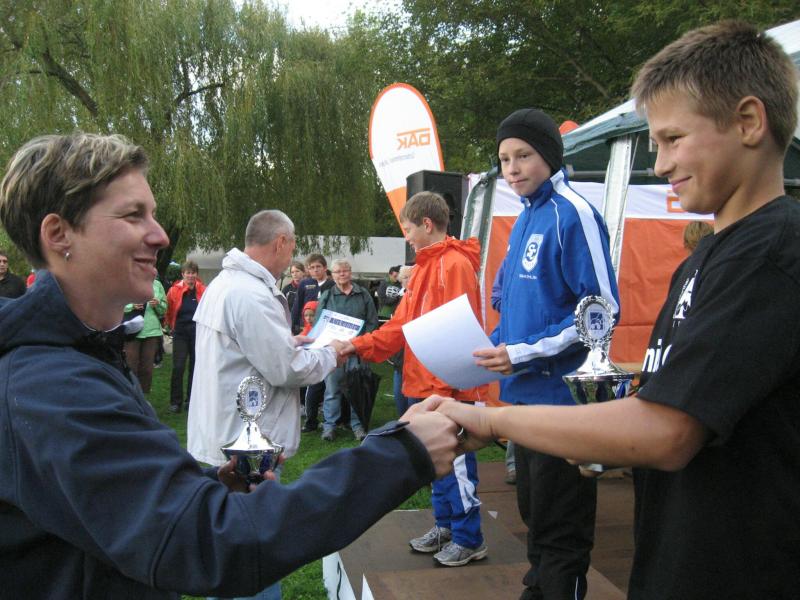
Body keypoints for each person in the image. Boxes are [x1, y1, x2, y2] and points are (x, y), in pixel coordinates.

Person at [427, 20, 800, 600]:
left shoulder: (771, 253)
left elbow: (667, 429)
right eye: (655, 143)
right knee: (540, 530)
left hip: (738, 568)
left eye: (673, 139)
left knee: (560, 541)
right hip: (677, 551)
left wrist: (492, 420)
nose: (662, 162)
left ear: (749, 122)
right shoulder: (705, 258)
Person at [0, 132, 461, 600]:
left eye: (153, 214)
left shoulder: (82, 356)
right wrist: (403, 452)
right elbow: (208, 541)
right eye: (133, 215)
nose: (160, 235)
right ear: (58, 235)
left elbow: (117, 499)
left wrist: (209, 483)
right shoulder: (50, 388)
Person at [469, 106, 619, 600]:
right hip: (525, 399)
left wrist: (523, 352)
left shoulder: (572, 213)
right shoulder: (525, 217)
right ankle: (539, 587)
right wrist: (498, 345)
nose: (512, 169)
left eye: (524, 156)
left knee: (560, 527)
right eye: (504, 159)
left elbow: (601, 309)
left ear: (550, 155)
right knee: (534, 514)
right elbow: (515, 303)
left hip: (563, 402)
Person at [340, 191, 489, 567]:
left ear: (426, 224)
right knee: (434, 458)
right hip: (426, 384)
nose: (405, 237)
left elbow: (458, 331)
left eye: (407, 229)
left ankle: (469, 537)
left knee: (457, 461)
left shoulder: (455, 264)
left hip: (449, 388)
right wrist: (356, 345)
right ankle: (446, 526)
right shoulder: (424, 266)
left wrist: (445, 391)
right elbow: (401, 326)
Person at [317, 258, 379, 442]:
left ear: (350, 273)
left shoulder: (363, 294)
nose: (341, 274)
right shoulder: (327, 295)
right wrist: (331, 344)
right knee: (332, 390)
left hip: (357, 351)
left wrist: (360, 343)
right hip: (334, 353)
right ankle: (329, 426)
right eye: (338, 271)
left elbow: (372, 322)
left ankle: (358, 425)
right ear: (332, 275)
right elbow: (320, 323)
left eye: (345, 271)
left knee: (357, 389)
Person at [165, 260, 206, 413]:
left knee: (195, 367)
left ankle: (191, 400)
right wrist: (170, 326)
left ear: (196, 274)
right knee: (178, 366)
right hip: (180, 332)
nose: (190, 276)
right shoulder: (174, 290)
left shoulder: (203, 290)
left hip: (197, 333)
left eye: (193, 273)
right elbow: (169, 310)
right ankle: (175, 402)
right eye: (188, 273)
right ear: (183, 274)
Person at [123, 277, 167, 394]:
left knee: (147, 369)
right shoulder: (129, 280)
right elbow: (118, 303)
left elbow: (164, 309)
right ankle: (130, 396)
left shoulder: (157, 284)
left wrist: (158, 304)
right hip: (133, 329)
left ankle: (143, 398)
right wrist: (132, 306)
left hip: (152, 331)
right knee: (131, 367)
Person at [290, 253, 333, 334]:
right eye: (312, 267)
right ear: (308, 270)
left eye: (318, 266)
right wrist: (292, 327)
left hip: (326, 327)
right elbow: (297, 306)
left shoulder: (333, 285)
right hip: (307, 326)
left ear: (325, 268)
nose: (315, 270)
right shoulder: (304, 283)